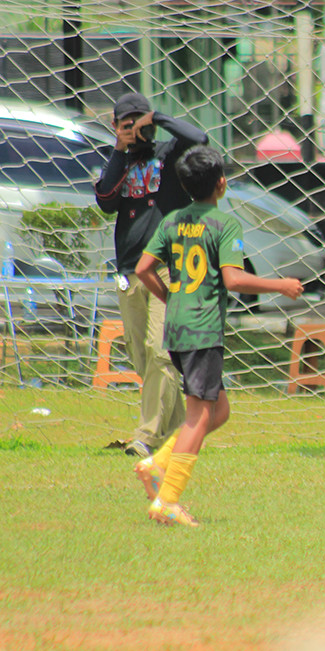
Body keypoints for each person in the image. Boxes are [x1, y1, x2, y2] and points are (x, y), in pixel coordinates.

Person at [133, 145, 303, 526]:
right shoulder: (224, 225)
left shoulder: (173, 220)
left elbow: (144, 268)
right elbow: (234, 278)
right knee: (198, 416)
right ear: (221, 184)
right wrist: (281, 285)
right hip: (202, 329)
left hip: (176, 328)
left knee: (218, 410)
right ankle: (168, 501)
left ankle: (156, 465)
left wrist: (170, 297)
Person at [95, 92, 209, 458]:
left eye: (137, 122)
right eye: (126, 125)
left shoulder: (168, 155)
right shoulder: (119, 161)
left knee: (161, 353)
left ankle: (145, 436)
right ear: (115, 128)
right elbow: (105, 200)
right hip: (129, 271)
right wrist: (119, 148)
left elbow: (200, 139)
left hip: (167, 268)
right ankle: (177, 433)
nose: (134, 131)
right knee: (142, 358)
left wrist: (157, 119)